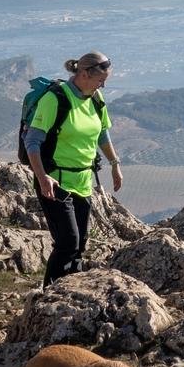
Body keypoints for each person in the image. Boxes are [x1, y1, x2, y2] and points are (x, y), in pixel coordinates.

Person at [24, 52, 122, 286]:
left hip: (83, 182)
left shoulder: (96, 99)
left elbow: (102, 133)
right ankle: (49, 298)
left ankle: (71, 292)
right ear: (84, 74)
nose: (103, 85)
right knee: (68, 243)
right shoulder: (55, 99)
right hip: (55, 182)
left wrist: (115, 164)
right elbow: (32, 141)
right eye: (100, 80)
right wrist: (42, 176)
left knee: (79, 245)